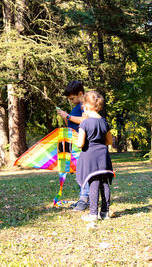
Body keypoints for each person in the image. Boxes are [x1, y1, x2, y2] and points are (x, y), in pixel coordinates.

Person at [76, 91, 114, 221]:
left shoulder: (84, 123)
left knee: (93, 183)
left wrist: (77, 141)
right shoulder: (104, 122)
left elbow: (80, 144)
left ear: (86, 105)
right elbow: (109, 141)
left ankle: (93, 214)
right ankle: (105, 212)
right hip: (103, 155)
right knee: (104, 183)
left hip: (90, 156)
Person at [56, 80, 89, 211]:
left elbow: (84, 121)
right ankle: (86, 197)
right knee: (79, 172)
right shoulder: (78, 107)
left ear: (80, 94)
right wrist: (65, 116)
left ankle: (84, 198)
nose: (71, 101)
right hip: (75, 143)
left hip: (84, 145)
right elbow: (72, 125)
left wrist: (67, 116)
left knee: (84, 173)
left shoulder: (85, 106)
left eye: (72, 98)